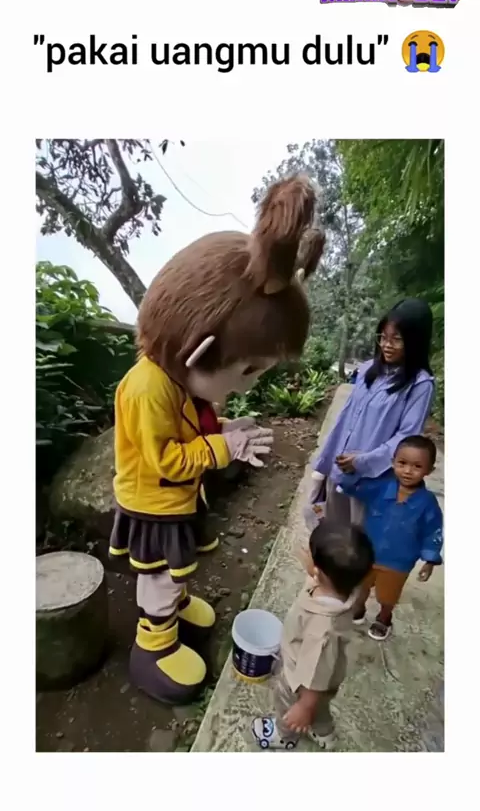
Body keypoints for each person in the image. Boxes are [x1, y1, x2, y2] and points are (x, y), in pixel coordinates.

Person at [109, 176, 326, 705]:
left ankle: (176, 608)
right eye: (247, 371)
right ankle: (153, 644)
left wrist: (227, 431)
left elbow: (193, 432)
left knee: (179, 569)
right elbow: (166, 459)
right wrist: (222, 448)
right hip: (154, 505)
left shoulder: (179, 383)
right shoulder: (147, 389)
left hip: (178, 500)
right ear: (199, 351)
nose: (245, 386)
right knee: (160, 576)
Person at [310, 298, 435, 528]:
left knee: (359, 541)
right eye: (383, 337)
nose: (387, 345)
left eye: (397, 339)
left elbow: (406, 438)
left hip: (371, 484)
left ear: (415, 341)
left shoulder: (420, 385)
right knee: (331, 536)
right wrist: (324, 465)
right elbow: (344, 420)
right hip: (339, 473)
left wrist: (362, 462)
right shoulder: (368, 369)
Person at [251, 519, 374, 750]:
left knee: (290, 707)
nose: (305, 553)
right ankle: (324, 733)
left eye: (309, 552)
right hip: (324, 676)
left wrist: (304, 707)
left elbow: (315, 674)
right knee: (320, 708)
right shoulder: (344, 587)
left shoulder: (323, 630)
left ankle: (284, 736)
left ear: (317, 571)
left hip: (300, 680)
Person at [339, 435, 443, 641]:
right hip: (367, 553)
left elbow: (433, 531)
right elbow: (354, 488)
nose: (408, 471)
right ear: (393, 462)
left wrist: (430, 560)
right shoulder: (380, 487)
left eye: (417, 466)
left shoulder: (427, 503)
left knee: (388, 596)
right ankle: (358, 609)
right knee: (360, 586)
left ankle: (384, 617)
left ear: (429, 471)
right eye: (402, 463)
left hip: (398, 562)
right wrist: (349, 473)